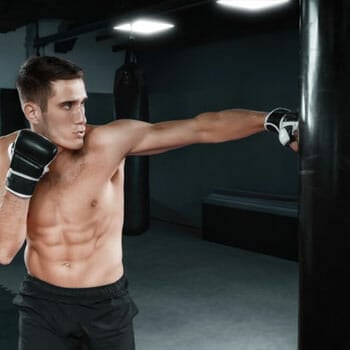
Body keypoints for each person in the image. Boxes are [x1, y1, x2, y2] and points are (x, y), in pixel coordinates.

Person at [0, 55, 298, 350]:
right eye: (67, 105)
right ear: (33, 111)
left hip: (105, 304)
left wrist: (270, 120)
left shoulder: (109, 142)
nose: (81, 117)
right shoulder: (5, 155)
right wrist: (21, 179)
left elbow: (201, 127)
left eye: (82, 102)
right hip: (42, 306)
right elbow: (4, 250)